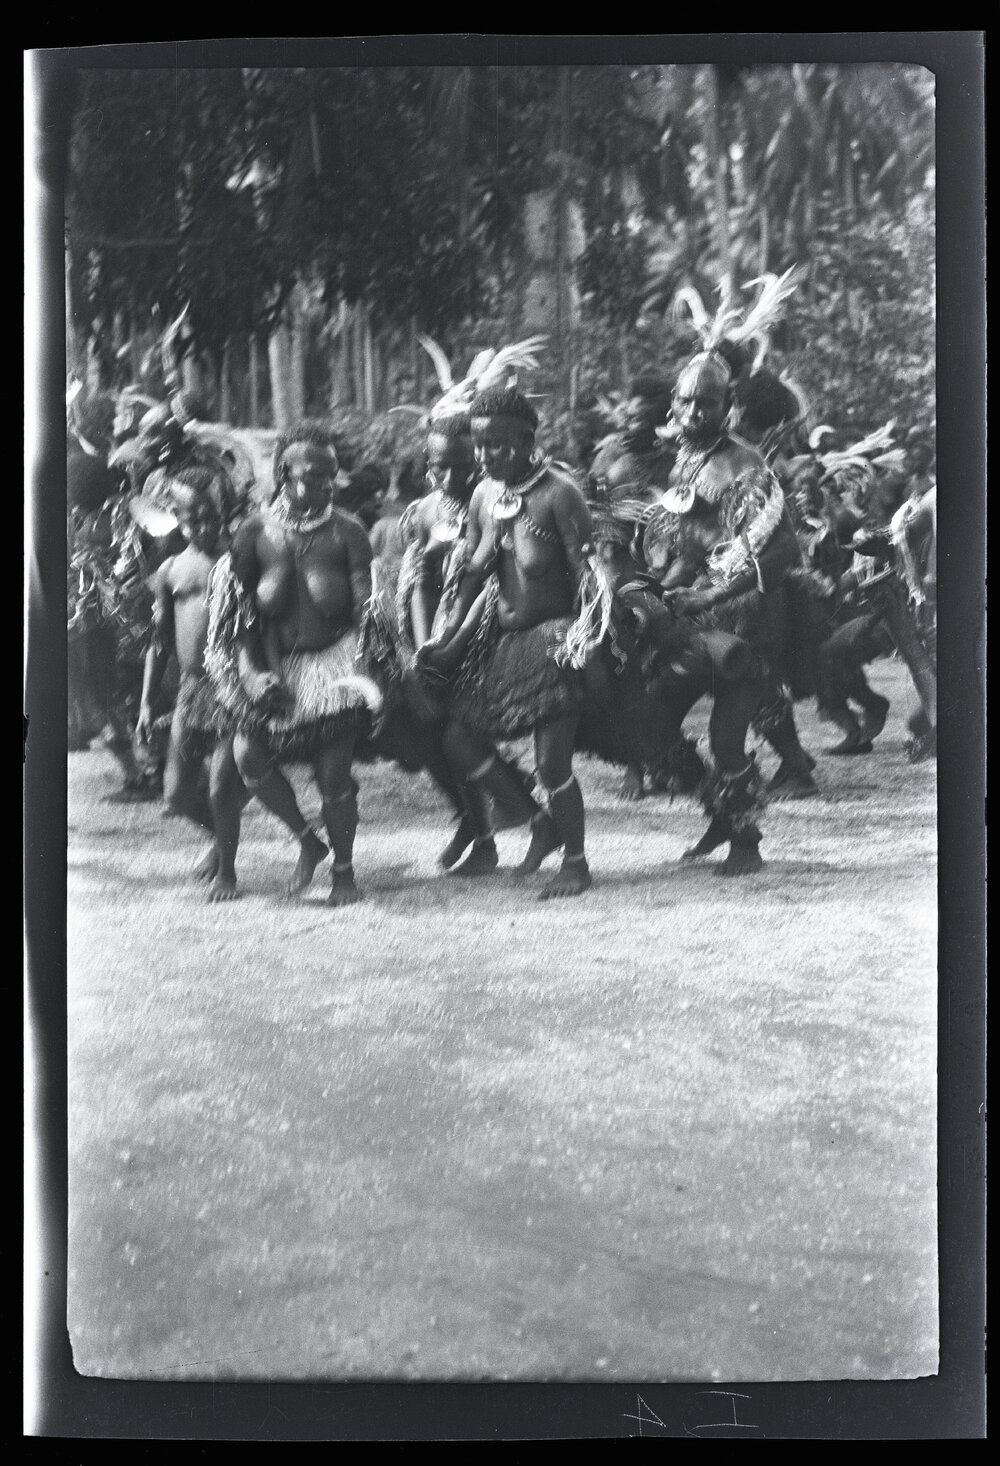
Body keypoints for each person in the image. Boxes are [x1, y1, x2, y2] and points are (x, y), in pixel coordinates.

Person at [421, 384, 599, 898]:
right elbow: (475, 573)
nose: (484, 456)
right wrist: (448, 634)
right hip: (500, 641)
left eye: (498, 445)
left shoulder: (559, 495)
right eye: (479, 446)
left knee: (551, 764)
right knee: (457, 737)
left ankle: (577, 862)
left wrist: (583, 642)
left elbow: (588, 578)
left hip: (554, 644)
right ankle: (535, 822)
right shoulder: (483, 495)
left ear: (527, 439)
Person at [206, 422, 382, 906]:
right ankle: (308, 840)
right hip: (272, 667)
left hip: (334, 668)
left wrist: (367, 665)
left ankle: (343, 874)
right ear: (283, 474)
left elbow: (367, 610)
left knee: (334, 780)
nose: (324, 485)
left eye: (330, 475)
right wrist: (249, 673)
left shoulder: (348, 532)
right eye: (310, 476)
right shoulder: (254, 534)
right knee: (247, 757)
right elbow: (235, 617)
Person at [136, 462, 248, 901]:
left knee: (221, 784)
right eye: (189, 518)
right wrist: (146, 702)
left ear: (224, 512)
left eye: (209, 516)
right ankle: (220, 838)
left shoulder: (239, 561)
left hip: (232, 687)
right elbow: (158, 642)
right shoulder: (170, 571)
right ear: (175, 518)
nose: (200, 526)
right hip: (191, 688)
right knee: (177, 794)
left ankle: (229, 873)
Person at [588, 375, 676, 508]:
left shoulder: (674, 462)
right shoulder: (610, 455)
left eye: (638, 420)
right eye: (630, 419)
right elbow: (592, 507)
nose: (628, 428)